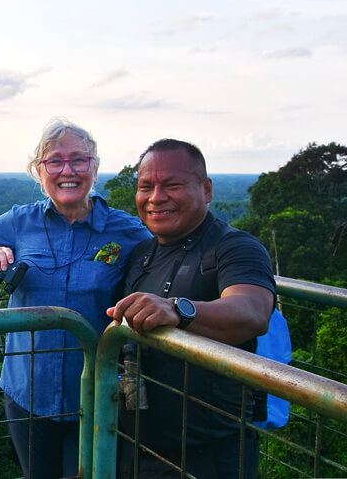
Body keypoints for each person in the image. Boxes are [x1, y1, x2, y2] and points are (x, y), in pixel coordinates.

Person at [0, 118, 150, 478]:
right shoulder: (20, 222)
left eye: (78, 160)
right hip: (26, 390)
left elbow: (164, 262)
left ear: (94, 167)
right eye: (55, 161)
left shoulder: (126, 231)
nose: (67, 171)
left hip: (95, 395)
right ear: (39, 170)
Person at [107, 139, 275, 478]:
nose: (156, 198)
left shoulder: (234, 247)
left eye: (172, 185)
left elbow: (253, 311)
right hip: (133, 447)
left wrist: (178, 311)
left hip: (210, 454)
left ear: (207, 189)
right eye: (146, 187)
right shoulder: (141, 253)